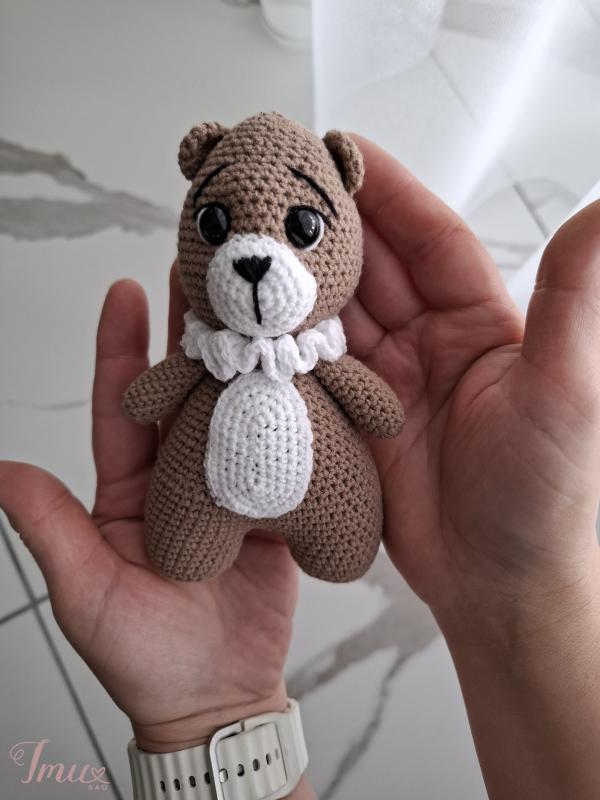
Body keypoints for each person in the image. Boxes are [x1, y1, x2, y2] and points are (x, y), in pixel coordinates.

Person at [1, 135, 599, 800]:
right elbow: (151, 393)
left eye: (303, 228)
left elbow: (374, 405)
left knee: (342, 547)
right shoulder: (210, 355)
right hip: (201, 489)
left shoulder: (319, 356)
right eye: (218, 225)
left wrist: (524, 597)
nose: (256, 257)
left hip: (325, 489)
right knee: (178, 550)